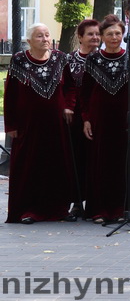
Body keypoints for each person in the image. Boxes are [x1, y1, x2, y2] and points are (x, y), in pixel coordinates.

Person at [4, 24, 73, 223]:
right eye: (39, 36)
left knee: (56, 165)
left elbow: (70, 87)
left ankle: (59, 209)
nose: (44, 39)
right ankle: (28, 210)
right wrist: (11, 126)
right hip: (28, 126)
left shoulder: (60, 58)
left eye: (46, 35)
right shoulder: (19, 60)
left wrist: (69, 106)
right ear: (29, 41)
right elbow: (11, 95)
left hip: (56, 124)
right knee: (30, 166)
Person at [81, 15, 130, 223]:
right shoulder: (93, 59)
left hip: (124, 121)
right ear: (103, 36)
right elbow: (86, 92)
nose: (115, 37)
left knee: (122, 164)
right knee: (100, 164)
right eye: (110, 34)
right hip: (100, 120)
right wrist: (86, 119)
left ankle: (121, 209)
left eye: (118, 33)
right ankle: (99, 210)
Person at [64, 18, 101, 216]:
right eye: (90, 34)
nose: (95, 37)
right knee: (77, 159)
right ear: (80, 37)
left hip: (99, 116)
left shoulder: (105, 59)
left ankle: (96, 201)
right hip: (76, 117)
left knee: (96, 160)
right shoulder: (69, 60)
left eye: (97, 34)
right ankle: (77, 202)